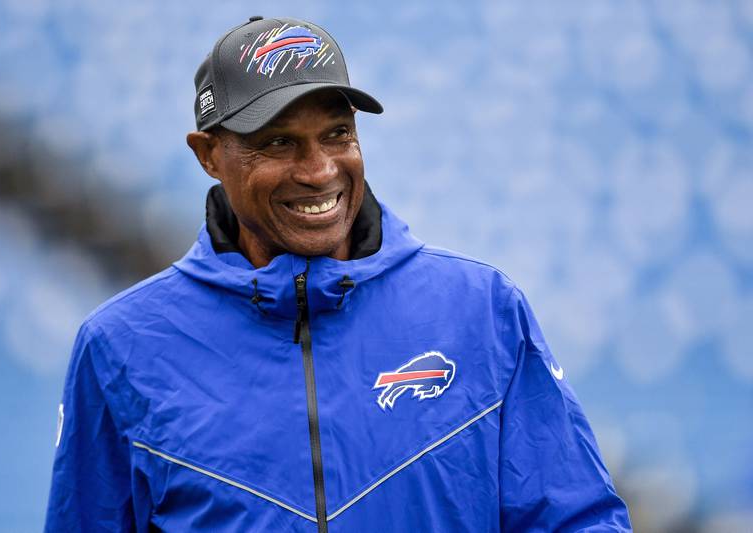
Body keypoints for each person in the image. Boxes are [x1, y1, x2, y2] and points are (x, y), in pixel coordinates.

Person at [45, 16, 632, 532]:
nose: (319, 170)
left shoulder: (481, 310)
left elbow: (576, 520)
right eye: (278, 143)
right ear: (208, 154)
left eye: (337, 135)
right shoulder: (121, 347)